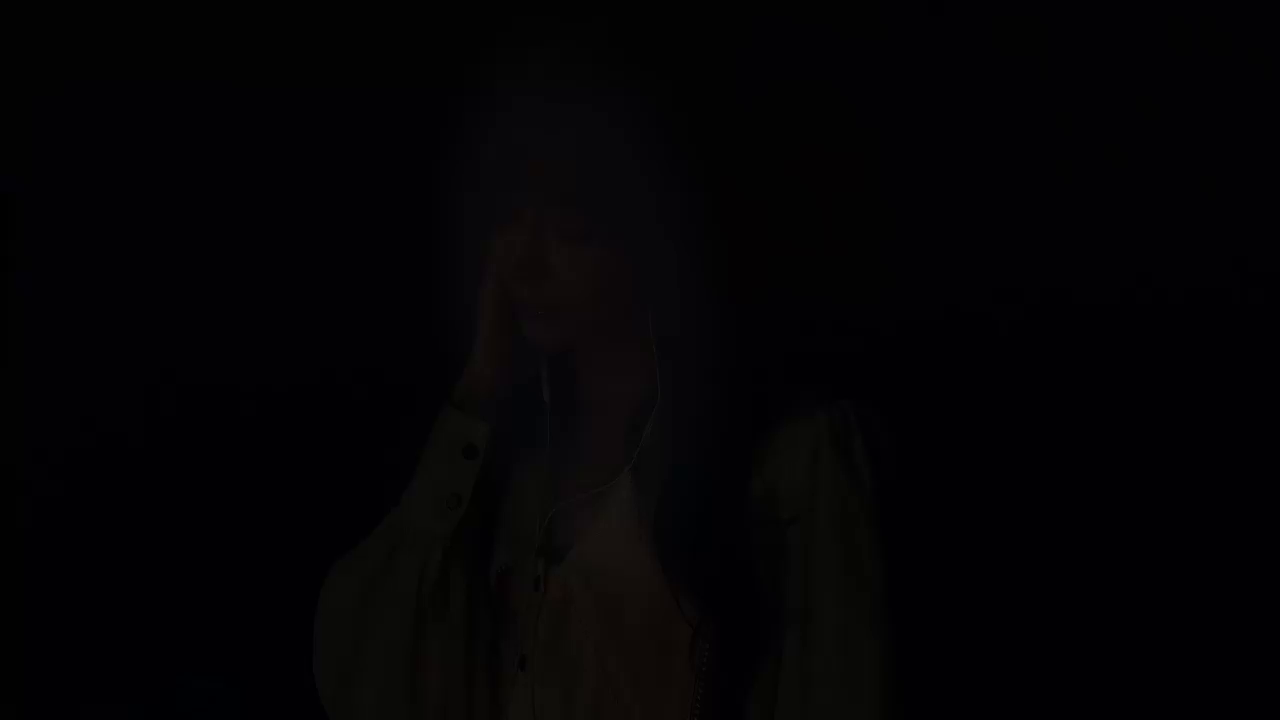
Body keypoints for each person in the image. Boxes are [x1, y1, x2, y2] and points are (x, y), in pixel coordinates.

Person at [312, 86, 884, 719]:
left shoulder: (788, 460)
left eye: (569, 228)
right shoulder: (506, 465)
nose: (523, 262)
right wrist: (477, 390)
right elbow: (365, 670)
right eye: (508, 219)